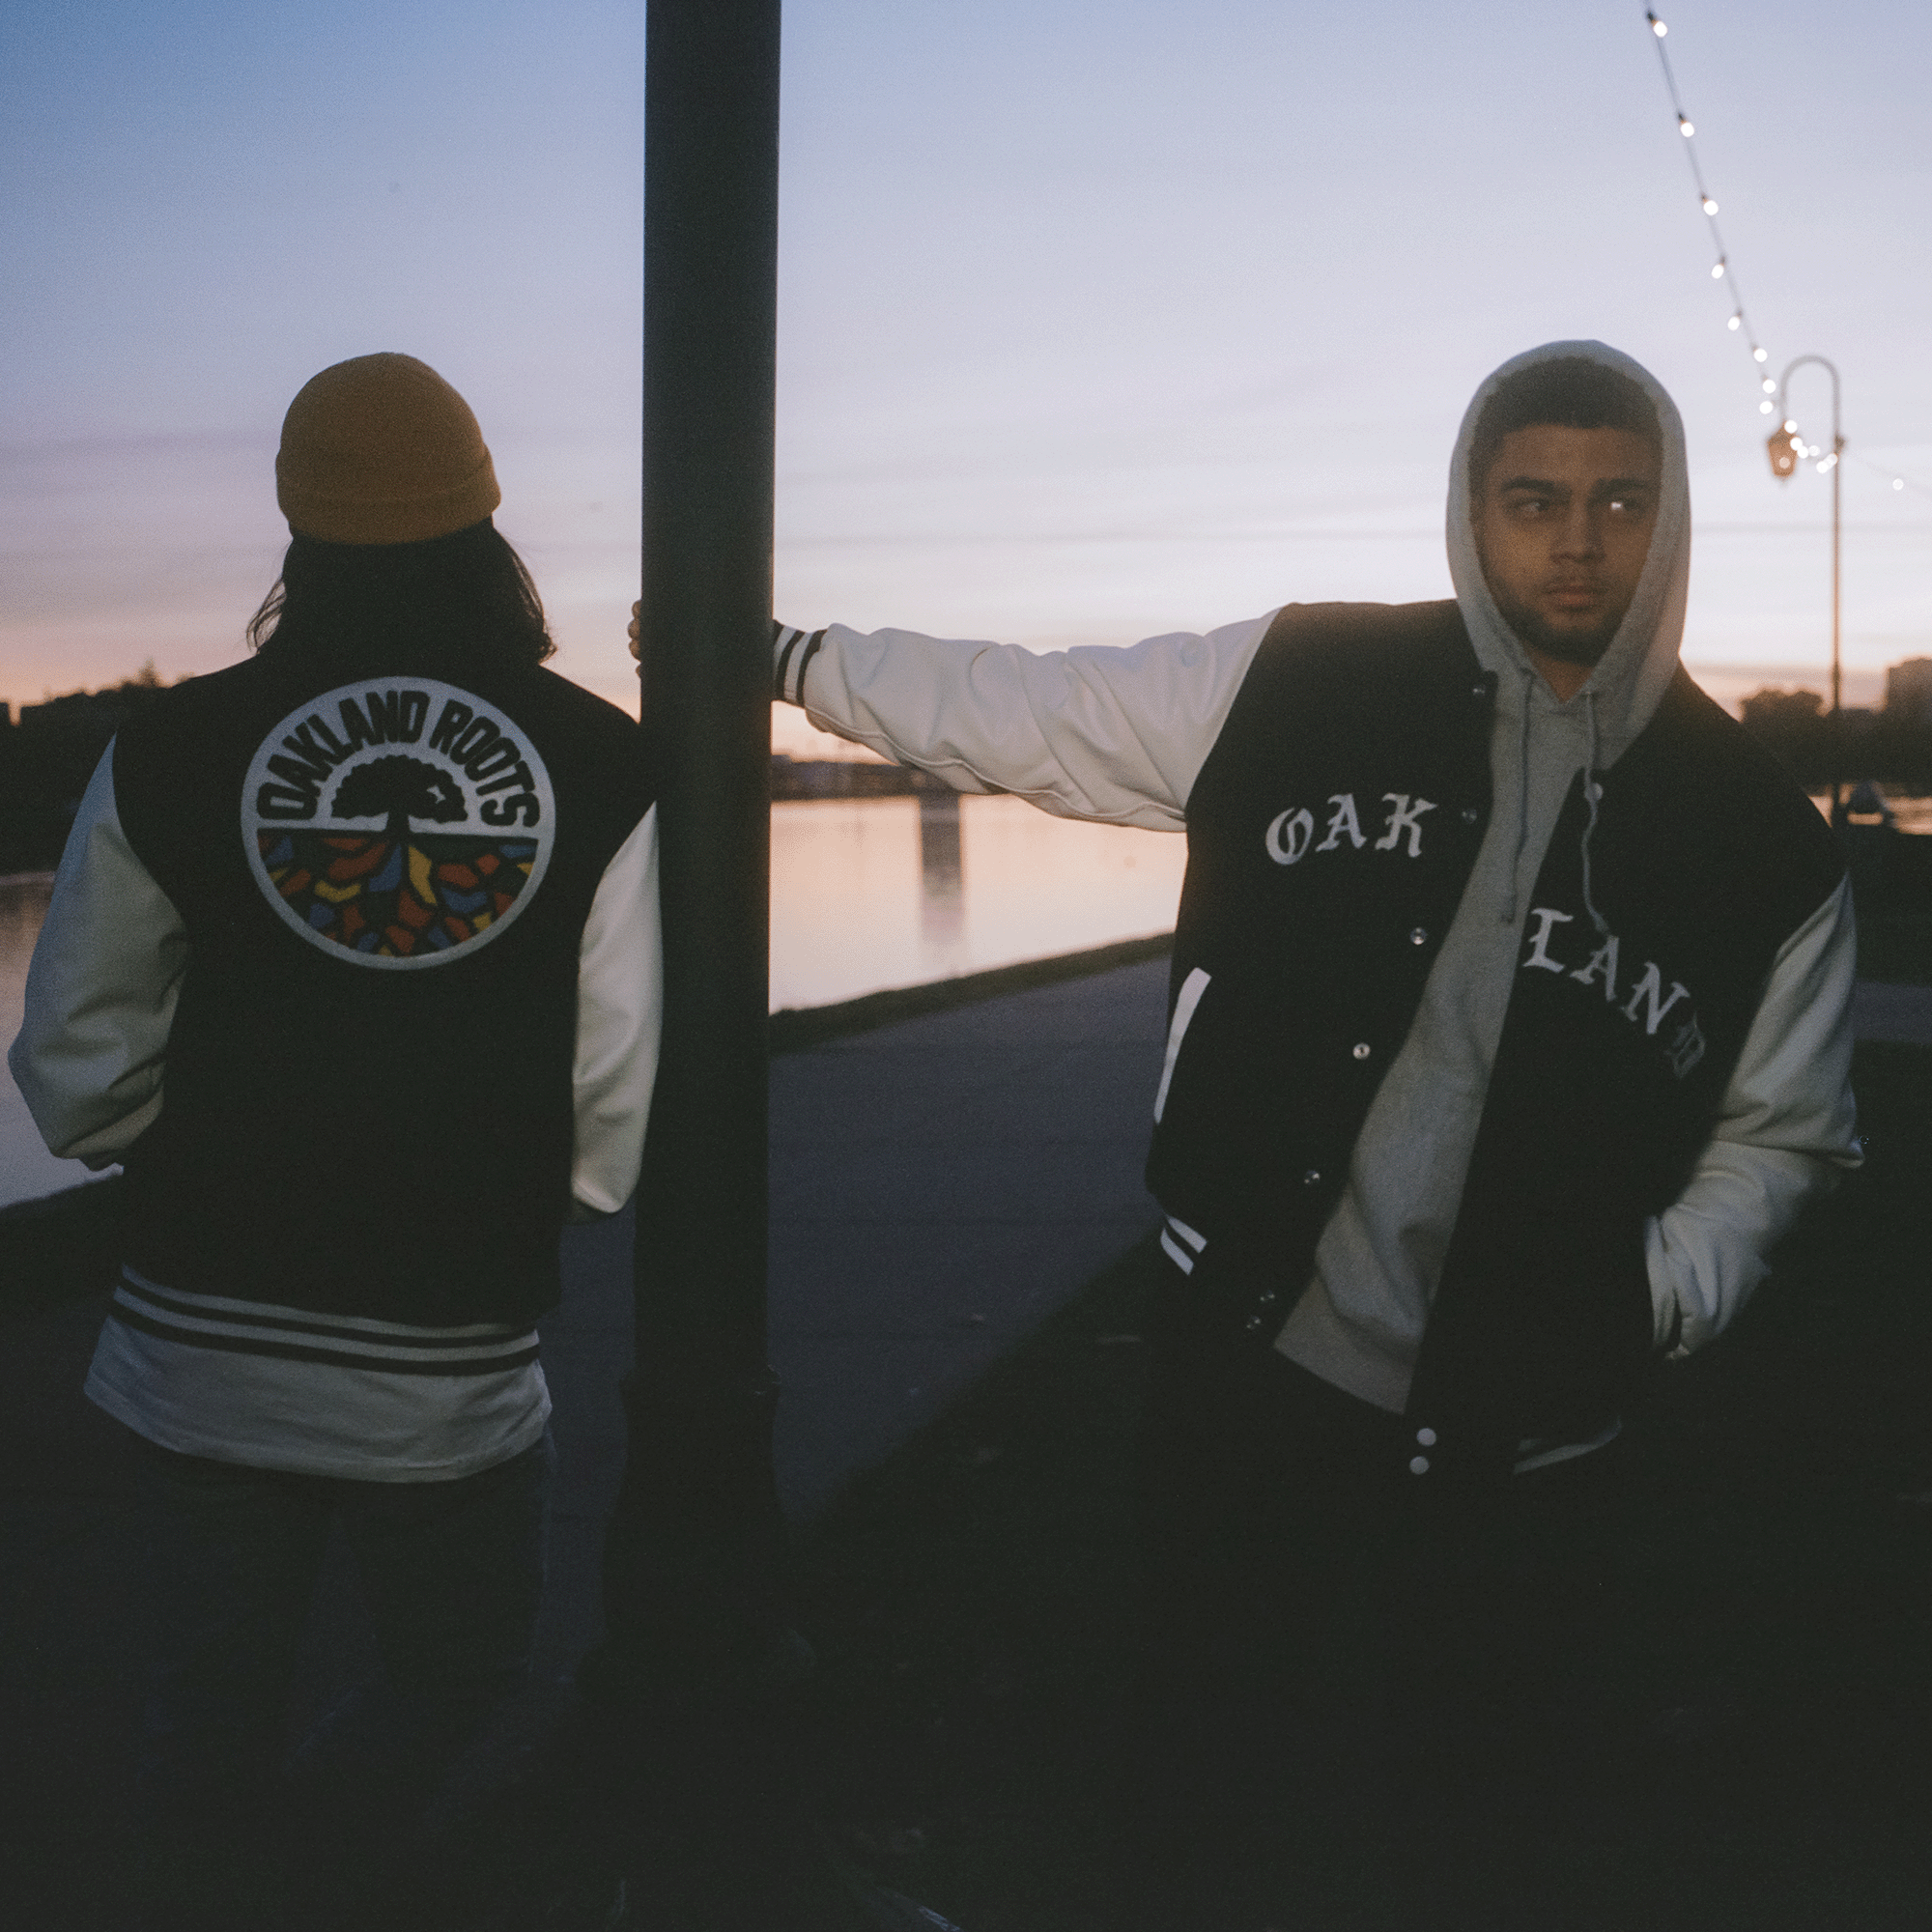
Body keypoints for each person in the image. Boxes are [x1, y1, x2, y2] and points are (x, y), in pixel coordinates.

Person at [744, 339, 1861, 1916]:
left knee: (1479, 1826)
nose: (1578, 539)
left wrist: (1655, 1296)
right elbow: (1033, 709)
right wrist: (789, 659)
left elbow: (1784, 1136)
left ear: (1669, 521)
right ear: (1472, 510)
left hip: (1529, 1434)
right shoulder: (1302, 680)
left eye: (1620, 500)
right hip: (1250, 1379)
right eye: (1533, 497)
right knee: (1199, 1796)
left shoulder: (1758, 844)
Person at [11, 354, 661, 1930]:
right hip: (448, 1353)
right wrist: (526, 1191)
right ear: (485, 517)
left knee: (201, 1722)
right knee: (459, 1677)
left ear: (295, 531)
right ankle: (316, 1878)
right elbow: (612, 1084)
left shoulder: (172, 749)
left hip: (196, 1341)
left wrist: (175, 1152)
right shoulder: (600, 762)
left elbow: (78, 1055)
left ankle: (226, 1890)